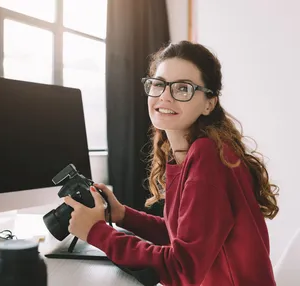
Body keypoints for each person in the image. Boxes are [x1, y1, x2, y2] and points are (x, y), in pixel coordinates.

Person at [64, 40, 279, 286]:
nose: (165, 96)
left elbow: (181, 268)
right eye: (158, 84)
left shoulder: (209, 157)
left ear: (209, 102)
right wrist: (123, 215)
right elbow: (183, 235)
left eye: (183, 88)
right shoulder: (192, 151)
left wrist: (97, 232)